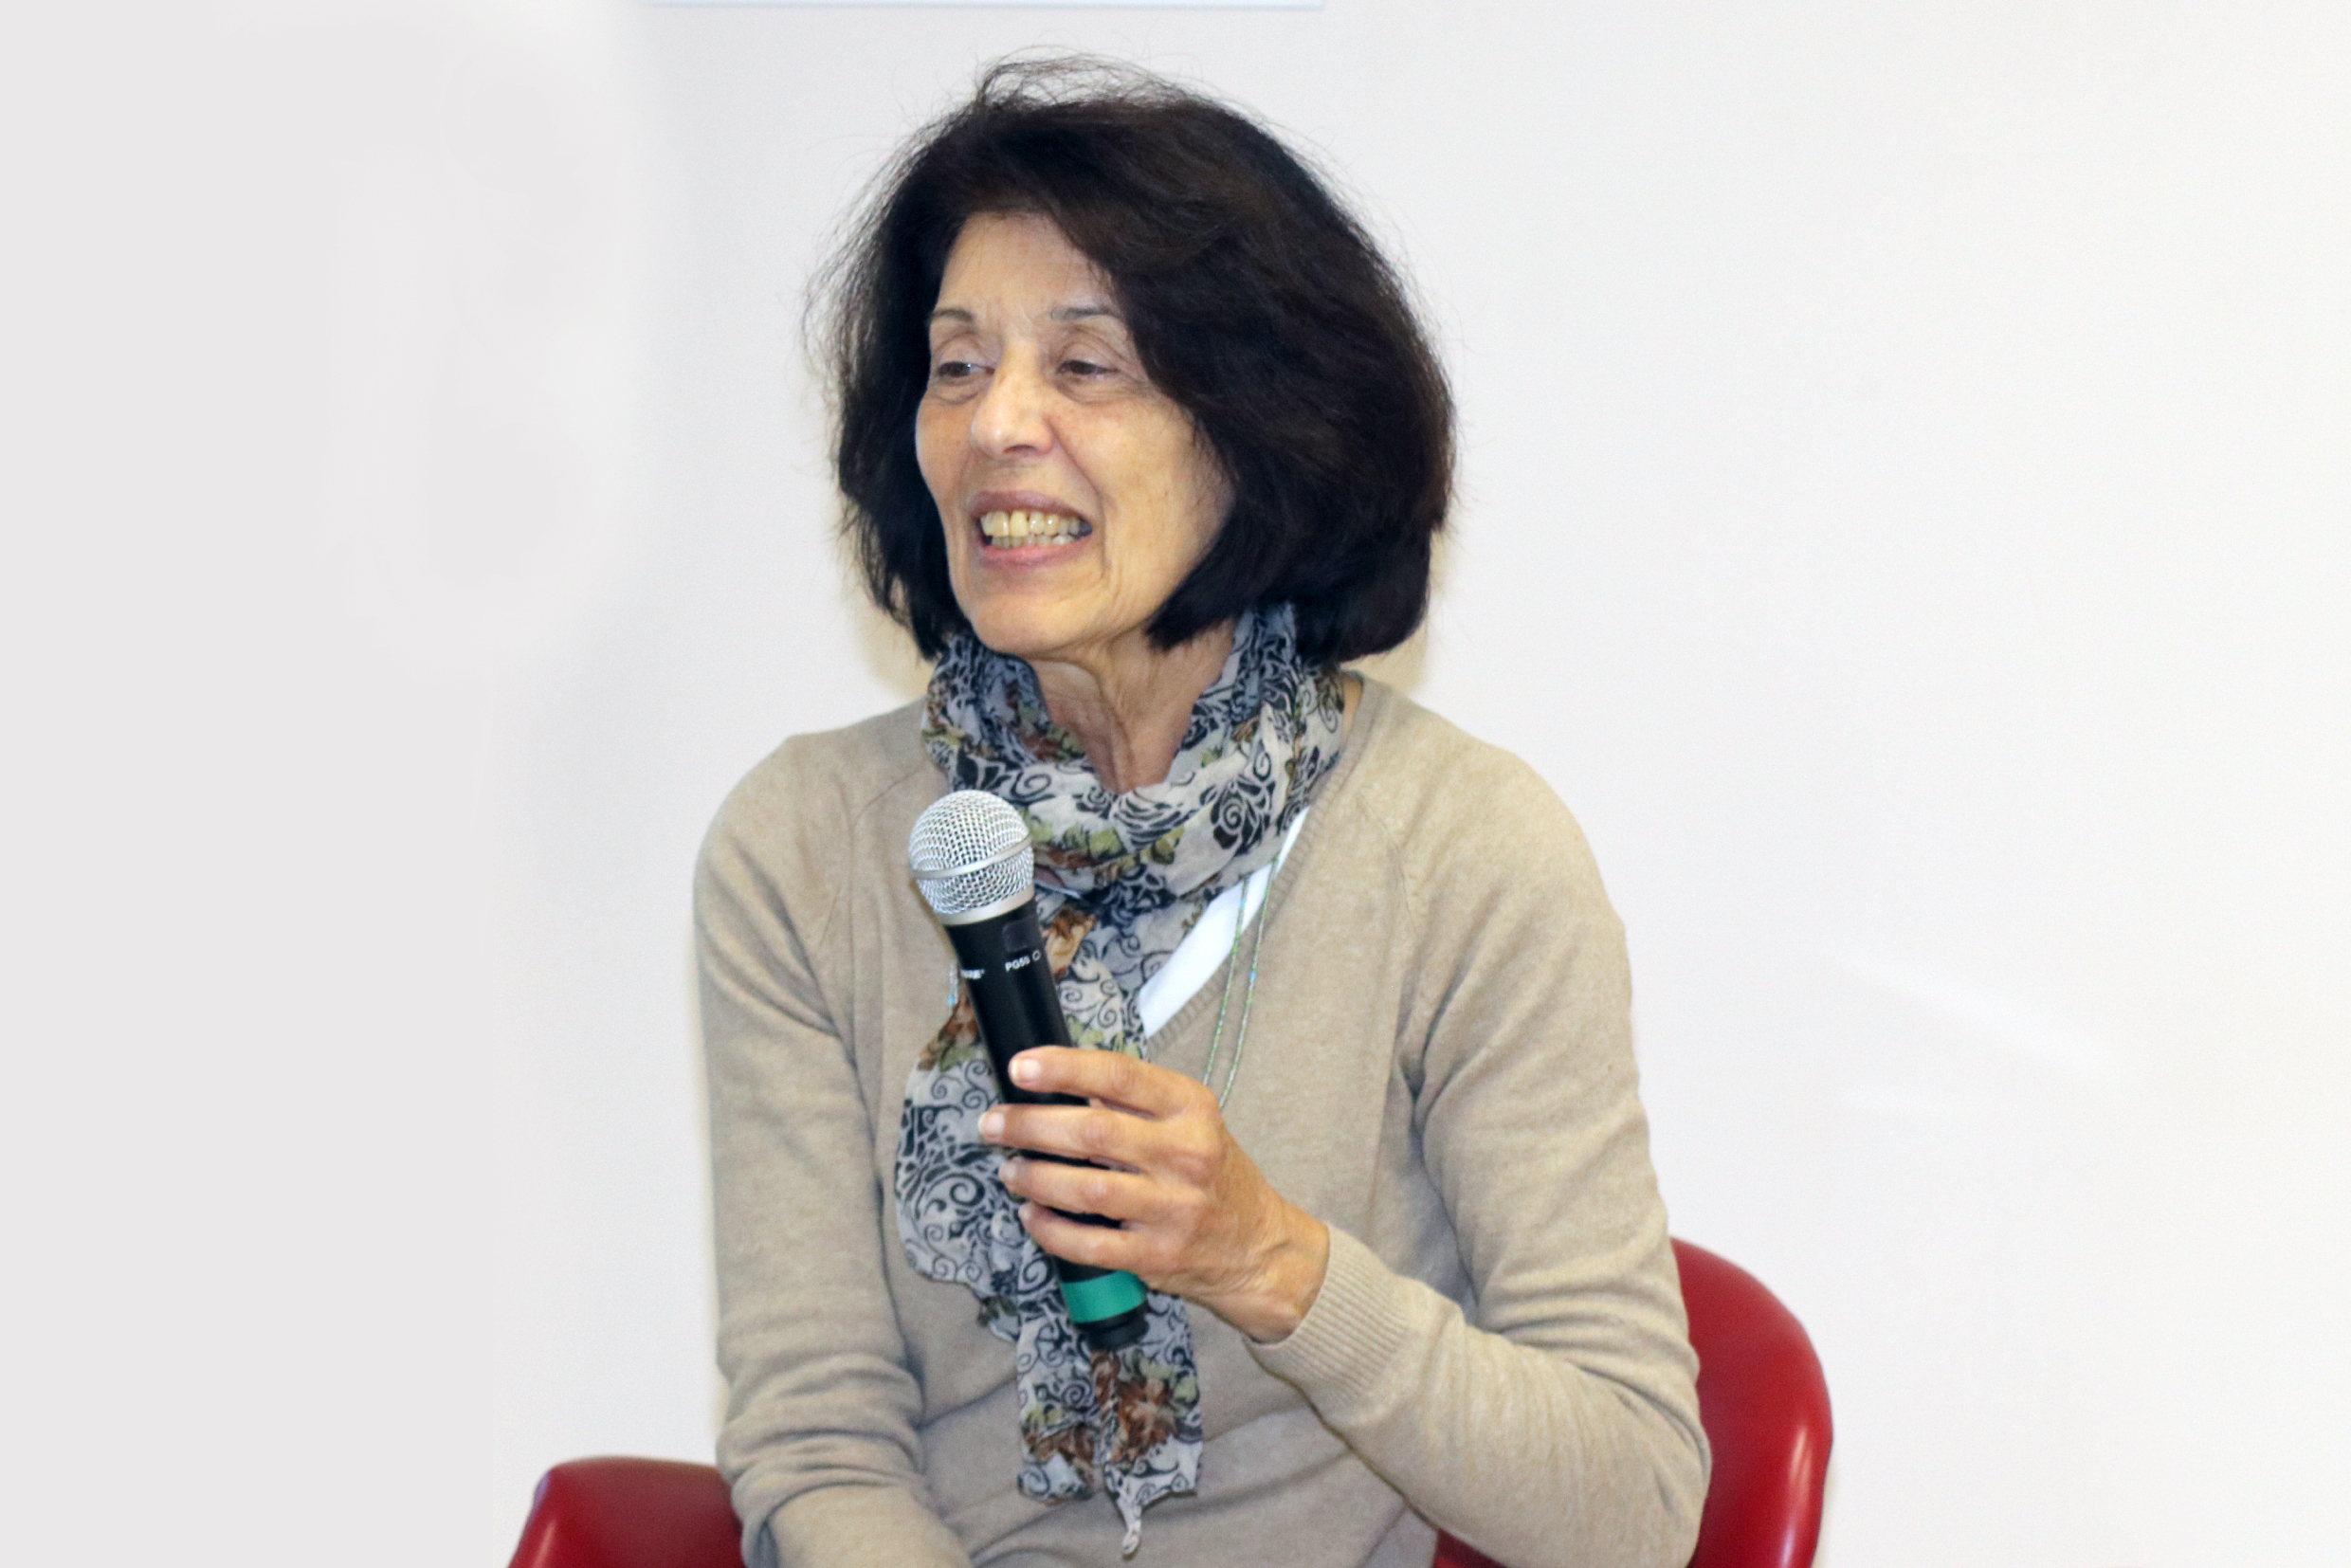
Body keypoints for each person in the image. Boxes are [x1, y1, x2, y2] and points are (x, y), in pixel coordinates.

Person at [696, 59, 1708, 1568]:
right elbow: (818, 1447)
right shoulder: (805, 849)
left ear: (1259, 429)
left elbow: (1631, 1505)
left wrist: (1273, 1259)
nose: (996, 423)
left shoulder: (1465, 853)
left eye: (1085, 366)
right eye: (957, 365)